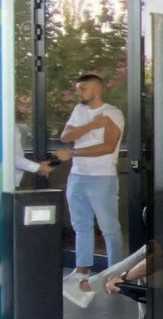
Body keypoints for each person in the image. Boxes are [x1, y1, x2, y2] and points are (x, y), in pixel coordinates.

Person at [53, 74, 124, 275]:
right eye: (77, 89)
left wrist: (74, 152)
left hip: (102, 177)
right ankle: (82, 270)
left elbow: (108, 147)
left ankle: (114, 273)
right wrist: (91, 125)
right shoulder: (79, 110)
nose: (78, 92)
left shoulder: (112, 113)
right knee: (80, 225)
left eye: (82, 88)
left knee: (109, 227)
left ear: (96, 89)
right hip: (77, 176)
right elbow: (66, 136)